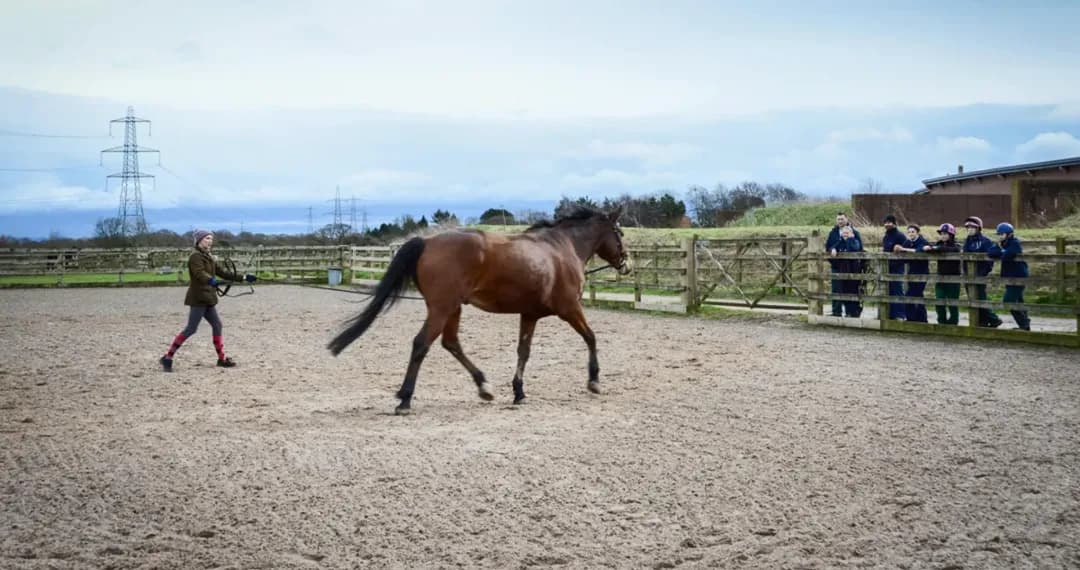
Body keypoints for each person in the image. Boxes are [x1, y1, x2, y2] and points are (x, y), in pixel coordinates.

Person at [160, 229, 257, 372]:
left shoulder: (209, 257)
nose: (210, 241)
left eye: (211, 238)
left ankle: (221, 359)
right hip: (198, 298)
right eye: (206, 238)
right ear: (199, 241)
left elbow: (223, 272)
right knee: (191, 329)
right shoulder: (195, 257)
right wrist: (211, 280)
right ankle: (168, 357)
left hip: (209, 298)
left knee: (217, 325)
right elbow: (199, 274)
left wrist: (243, 277)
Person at [987, 222, 1031, 331]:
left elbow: (1008, 255)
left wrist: (1001, 251)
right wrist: (1002, 250)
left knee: (1008, 300)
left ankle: (1024, 322)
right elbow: (991, 252)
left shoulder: (1015, 243)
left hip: (1019, 276)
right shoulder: (1003, 243)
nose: (1000, 236)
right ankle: (1024, 326)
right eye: (999, 234)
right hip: (1009, 276)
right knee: (1018, 301)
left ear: (1009, 234)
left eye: (1002, 234)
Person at [961, 216, 1003, 328]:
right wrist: (965, 272)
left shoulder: (985, 242)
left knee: (980, 298)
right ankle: (981, 322)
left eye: (972, 227)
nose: (969, 229)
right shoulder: (967, 242)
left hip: (980, 274)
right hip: (968, 275)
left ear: (978, 228)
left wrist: (983, 272)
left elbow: (990, 258)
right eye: (968, 227)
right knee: (972, 298)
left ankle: (994, 319)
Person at [922, 223, 962, 325]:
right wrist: (930, 248)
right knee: (939, 301)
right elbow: (932, 249)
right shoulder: (938, 244)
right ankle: (942, 321)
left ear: (951, 235)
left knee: (953, 302)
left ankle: (953, 321)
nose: (943, 235)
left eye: (946, 233)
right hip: (940, 277)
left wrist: (935, 249)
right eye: (942, 233)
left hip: (954, 278)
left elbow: (951, 250)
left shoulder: (956, 246)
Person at [826, 212, 863, 317]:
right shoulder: (833, 233)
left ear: (846, 219)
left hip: (851, 267)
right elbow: (829, 246)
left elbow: (859, 248)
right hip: (837, 265)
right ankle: (836, 311)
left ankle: (851, 312)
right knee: (836, 289)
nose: (840, 221)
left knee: (850, 289)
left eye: (842, 219)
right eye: (838, 219)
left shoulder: (855, 233)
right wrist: (832, 250)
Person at [893, 225, 929, 322]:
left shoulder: (922, 241)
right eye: (909, 232)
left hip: (922, 272)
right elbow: (902, 251)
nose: (910, 234)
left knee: (911, 295)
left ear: (917, 232)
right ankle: (920, 319)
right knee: (918, 296)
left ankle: (912, 318)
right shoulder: (908, 242)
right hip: (912, 272)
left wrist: (903, 249)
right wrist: (897, 249)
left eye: (913, 232)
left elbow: (919, 251)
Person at [881, 214, 907, 320]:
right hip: (887, 267)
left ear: (894, 223)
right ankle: (890, 314)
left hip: (897, 267)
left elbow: (905, 249)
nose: (887, 224)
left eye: (889, 222)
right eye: (886, 222)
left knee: (897, 290)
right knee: (888, 290)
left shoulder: (900, 236)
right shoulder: (886, 236)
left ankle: (900, 314)